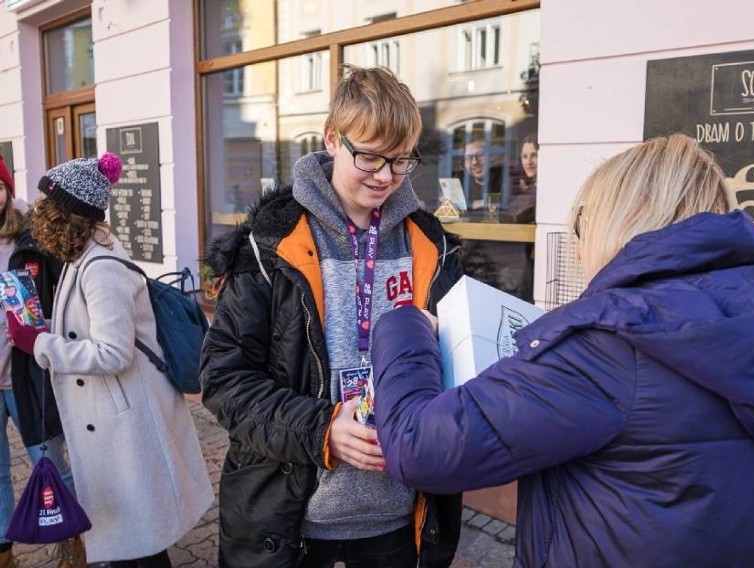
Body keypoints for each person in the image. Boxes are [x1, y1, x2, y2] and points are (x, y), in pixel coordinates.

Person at [370, 133, 754, 566]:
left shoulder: (614, 341)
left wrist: (403, 322)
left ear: (628, 213)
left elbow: (421, 446)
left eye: (582, 221)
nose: (580, 245)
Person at [201, 65, 464, 568]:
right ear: (331, 138)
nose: (385, 175)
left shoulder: (433, 245)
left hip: (401, 521)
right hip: (293, 523)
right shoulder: (271, 245)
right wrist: (322, 428)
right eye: (368, 156)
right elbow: (223, 380)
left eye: (401, 160)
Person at [6, 153, 214, 567]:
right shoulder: (80, 256)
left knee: (139, 544)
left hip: (123, 426)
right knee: (133, 541)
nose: (38, 215)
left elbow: (112, 352)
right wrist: (41, 324)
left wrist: (41, 343)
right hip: (110, 419)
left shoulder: (100, 266)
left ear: (69, 214)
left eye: (46, 207)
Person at [0, 155, 84, 568]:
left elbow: (62, 300)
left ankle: (73, 540)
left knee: (48, 458)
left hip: (27, 372)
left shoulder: (33, 239)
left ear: (7, 190)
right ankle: (3, 550)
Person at [462, 136, 502, 212]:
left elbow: (504, 202)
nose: (475, 162)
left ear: (491, 157)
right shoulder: (462, 184)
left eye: (480, 155)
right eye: (469, 157)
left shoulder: (503, 180)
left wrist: (466, 205)